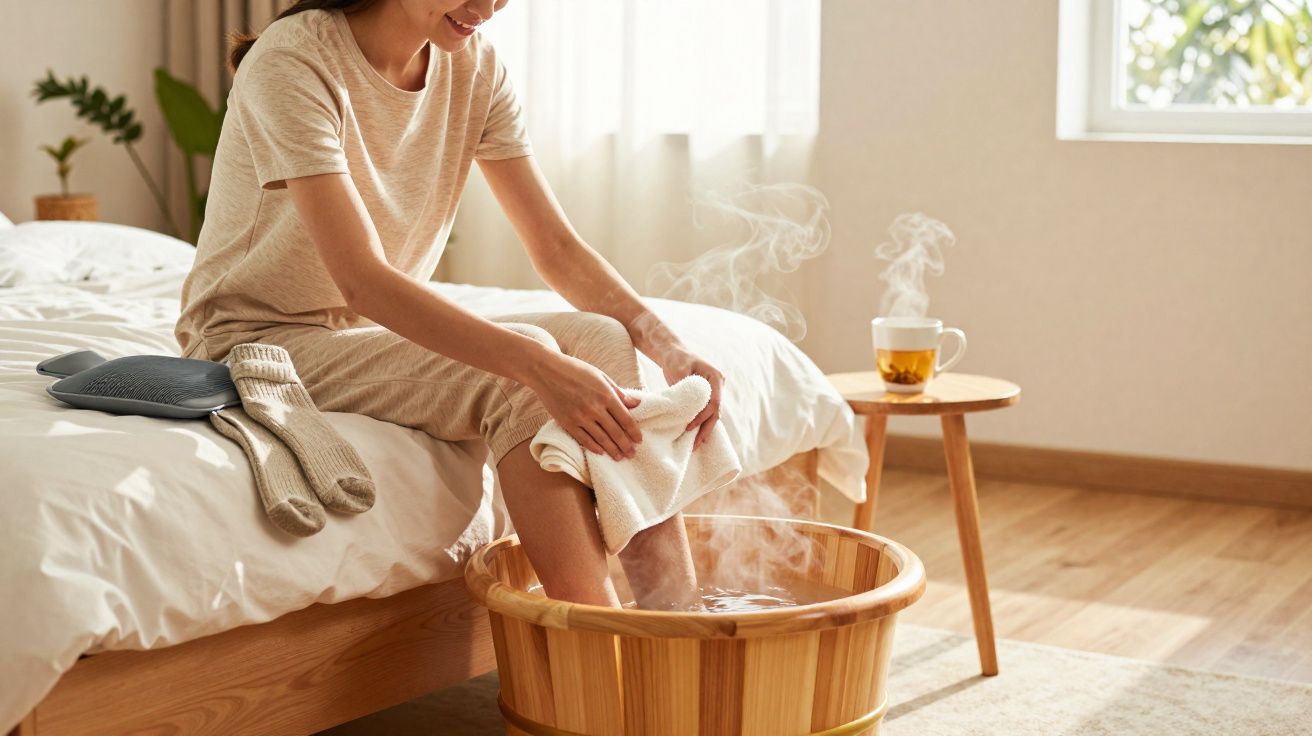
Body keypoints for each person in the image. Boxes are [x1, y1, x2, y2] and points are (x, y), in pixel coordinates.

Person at [174, 0, 724, 610]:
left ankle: (676, 622)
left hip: (367, 333)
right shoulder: (294, 60)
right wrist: (538, 366)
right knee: (522, 373)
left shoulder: (475, 67)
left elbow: (557, 248)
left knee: (604, 337)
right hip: (257, 342)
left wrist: (669, 345)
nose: (486, 9)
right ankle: (597, 659)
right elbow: (364, 281)